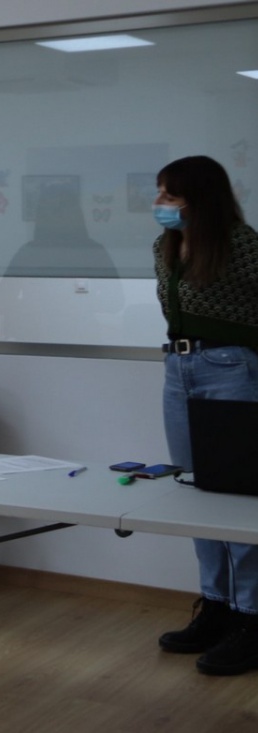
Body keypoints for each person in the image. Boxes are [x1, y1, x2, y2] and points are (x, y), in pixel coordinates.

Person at [151, 155, 258, 676]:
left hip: (230, 368)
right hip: (179, 369)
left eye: (170, 196)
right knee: (196, 493)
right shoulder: (165, 246)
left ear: (200, 197)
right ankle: (214, 608)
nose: (160, 206)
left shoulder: (243, 245)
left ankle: (251, 619)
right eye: (160, 195)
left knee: (236, 498)